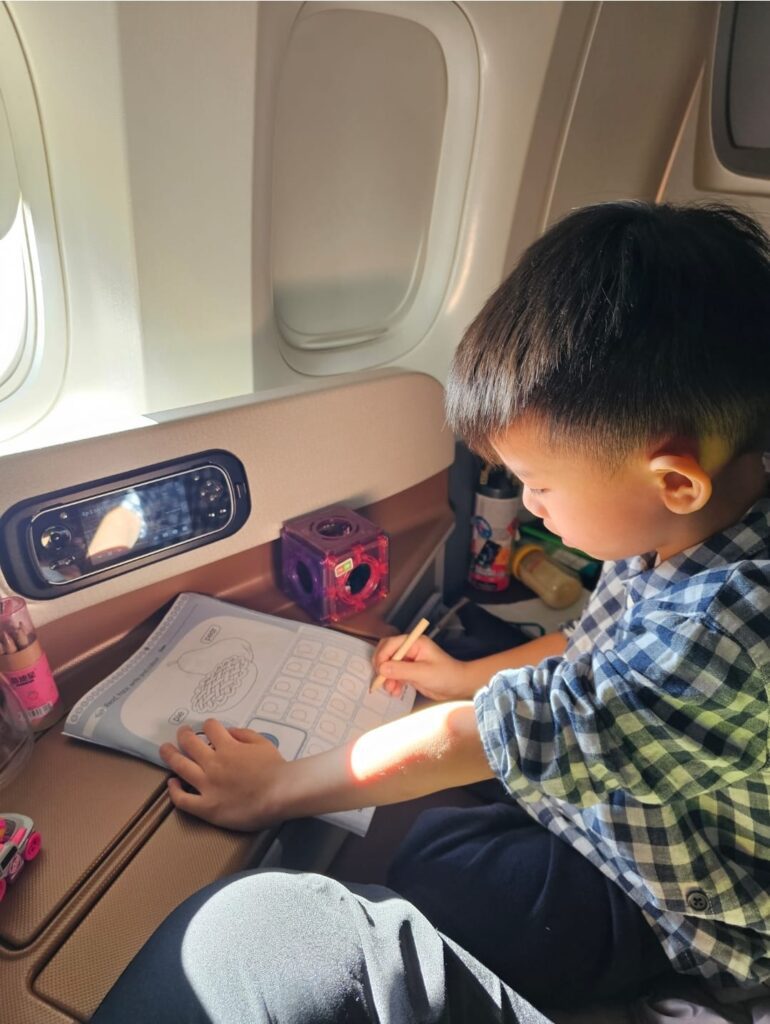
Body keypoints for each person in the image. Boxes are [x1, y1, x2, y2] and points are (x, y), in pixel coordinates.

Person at [91, 202, 770, 1023]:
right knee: (447, 804)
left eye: (542, 486)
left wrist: (273, 791)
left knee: (445, 875)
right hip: (623, 789)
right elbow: (591, 653)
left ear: (674, 481)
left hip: (679, 896)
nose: (530, 505)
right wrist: (464, 673)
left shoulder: (722, 628)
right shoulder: (687, 524)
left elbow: (475, 736)